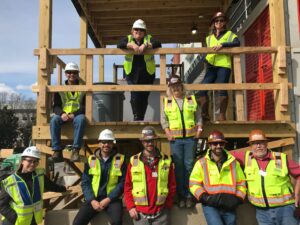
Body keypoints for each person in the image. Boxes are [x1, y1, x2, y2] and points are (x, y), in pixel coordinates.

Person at [230, 129, 300, 225]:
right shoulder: (246, 158)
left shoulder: (280, 158)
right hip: (262, 212)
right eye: (254, 143)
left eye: (261, 142)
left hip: (285, 209)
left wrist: (297, 194)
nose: (258, 146)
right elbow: (223, 153)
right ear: (250, 146)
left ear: (266, 143)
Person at [161, 75, 203, 208]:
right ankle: (180, 196)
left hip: (191, 139)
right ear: (170, 88)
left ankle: (189, 195)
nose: (176, 89)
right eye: (173, 87)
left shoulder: (191, 100)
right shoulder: (166, 102)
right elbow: (163, 120)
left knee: (189, 166)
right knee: (179, 168)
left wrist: (199, 131)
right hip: (175, 141)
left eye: (178, 86)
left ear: (182, 86)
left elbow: (199, 117)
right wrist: (167, 133)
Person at [189, 130, 247, 225]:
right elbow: (194, 183)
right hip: (210, 205)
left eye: (221, 143)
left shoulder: (234, 163)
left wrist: (238, 199)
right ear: (210, 146)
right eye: (215, 143)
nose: (218, 146)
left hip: (229, 204)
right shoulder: (201, 163)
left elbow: (242, 183)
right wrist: (204, 197)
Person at [0, 146, 67, 225]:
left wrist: (63, 188)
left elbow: (51, 186)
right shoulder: (11, 181)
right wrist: (14, 217)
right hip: (14, 222)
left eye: (35, 161)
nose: (33, 164)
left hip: (32, 220)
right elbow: (2, 204)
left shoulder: (39, 175)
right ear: (22, 161)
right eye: (30, 161)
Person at [73, 129, 126, 225]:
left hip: (112, 199)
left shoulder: (120, 159)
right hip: (94, 198)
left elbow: (123, 183)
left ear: (113, 144)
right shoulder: (91, 160)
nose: (106, 145)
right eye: (103, 142)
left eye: (109, 142)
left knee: (117, 222)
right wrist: (92, 200)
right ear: (99, 143)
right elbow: (85, 182)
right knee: (77, 223)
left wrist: (108, 199)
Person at [124, 126, 176, 225]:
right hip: (139, 215)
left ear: (155, 140)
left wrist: (168, 205)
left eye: (152, 140)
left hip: (161, 214)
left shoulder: (166, 160)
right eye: (146, 141)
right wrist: (130, 207)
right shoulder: (134, 161)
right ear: (142, 142)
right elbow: (127, 186)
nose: (149, 143)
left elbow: (172, 185)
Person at [198, 12, 240, 121]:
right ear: (214, 23)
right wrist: (204, 59)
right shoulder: (209, 38)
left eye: (221, 20)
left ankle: (222, 115)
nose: (219, 23)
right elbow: (206, 51)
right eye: (216, 21)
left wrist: (223, 45)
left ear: (225, 22)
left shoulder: (229, 34)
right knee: (202, 89)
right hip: (211, 65)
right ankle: (205, 114)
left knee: (222, 90)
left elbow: (237, 43)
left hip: (223, 65)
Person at [117, 19, 162, 121]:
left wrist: (145, 45)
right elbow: (119, 44)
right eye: (136, 29)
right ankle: (137, 117)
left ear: (145, 32)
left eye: (141, 30)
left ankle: (140, 118)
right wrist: (132, 45)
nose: (138, 31)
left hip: (147, 74)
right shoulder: (128, 39)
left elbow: (158, 43)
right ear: (132, 31)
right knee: (135, 96)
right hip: (132, 74)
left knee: (144, 98)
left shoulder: (148, 39)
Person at [50, 62, 86, 162]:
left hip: (77, 115)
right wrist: (62, 114)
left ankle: (75, 150)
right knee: (54, 120)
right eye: (69, 72)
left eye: (74, 72)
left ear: (77, 73)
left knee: (82, 119)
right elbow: (55, 106)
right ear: (65, 74)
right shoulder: (60, 88)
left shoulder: (83, 88)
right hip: (63, 116)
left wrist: (74, 114)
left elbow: (85, 106)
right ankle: (57, 150)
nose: (71, 74)